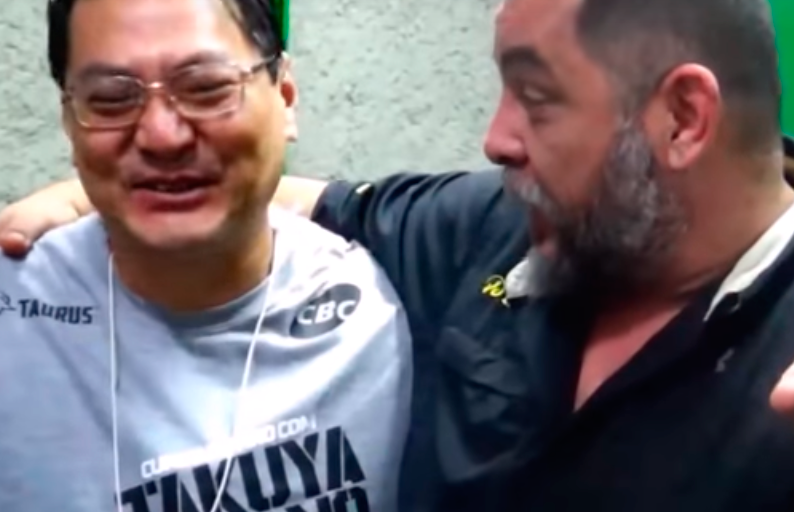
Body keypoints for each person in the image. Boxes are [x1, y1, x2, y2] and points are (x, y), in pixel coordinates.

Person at [7, 0, 794, 510]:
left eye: (537, 98)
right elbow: (301, 197)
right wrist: (98, 194)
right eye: (109, 98)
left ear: (683, 119)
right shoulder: (493, 228)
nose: (495, 140)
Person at [0, 0, 413, 511]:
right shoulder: (16, 322)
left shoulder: (399, 294)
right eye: (110, 99)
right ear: (69, 121)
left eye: (206, 88)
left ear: (285, 96)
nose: (162, 136)